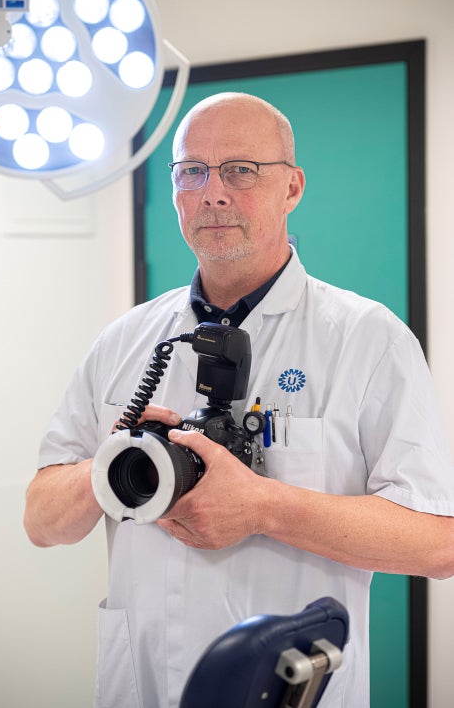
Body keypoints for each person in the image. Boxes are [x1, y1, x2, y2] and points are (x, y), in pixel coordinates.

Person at [24, 92, 454, 708]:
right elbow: (42, 523)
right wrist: (115, 463)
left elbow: (439, 544)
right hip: (143, 683)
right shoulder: (126, 340)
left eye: (240, 170)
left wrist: (262, 507)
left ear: (293, 188)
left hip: (291, 688)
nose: (213, 193)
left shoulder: (368, 337)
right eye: (192, 172)